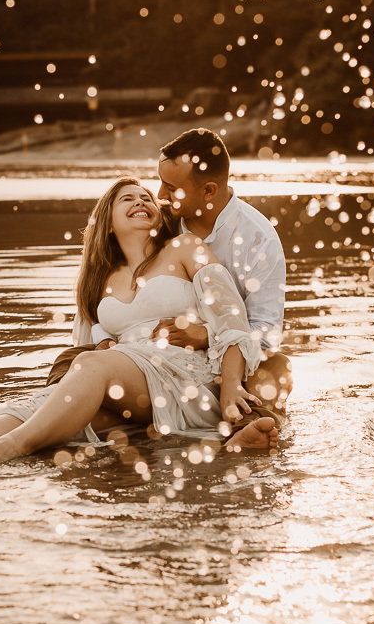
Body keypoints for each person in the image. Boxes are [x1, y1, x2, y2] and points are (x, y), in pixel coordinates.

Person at [0, 177, 275, 471]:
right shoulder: (100, 278)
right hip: (130, 378)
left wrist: (229, 381)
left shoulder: (184, 247)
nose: (141, 201)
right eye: (127, 199)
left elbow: (232, 317)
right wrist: (104, 349)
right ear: (108, 221)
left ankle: (9, 447)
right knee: (53, 403)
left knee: (90, 365)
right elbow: (88, 343)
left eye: (146, 198)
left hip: (184, 371)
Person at [51, 128, 291, 451]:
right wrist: (104, 337)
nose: (160, 194)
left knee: (274, 371)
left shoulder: (259, 240)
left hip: (227, 355)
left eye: (171, 187)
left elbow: (265, 332)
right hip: (149, 353)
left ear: (208, 190)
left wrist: (203, 336)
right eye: (160, 182)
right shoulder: (161, 221)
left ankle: (241, 431)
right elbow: (116, 287)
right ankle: (59, 408)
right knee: (72, 359)